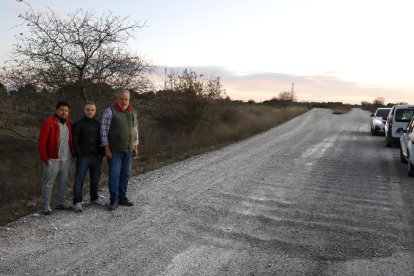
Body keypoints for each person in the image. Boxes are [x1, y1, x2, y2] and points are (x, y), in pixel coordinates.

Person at [101, 90, 139, 211]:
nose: (124, 101)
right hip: (114, 150)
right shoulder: (109, 111)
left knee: (126, 174)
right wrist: (106, 148)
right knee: (114, 174)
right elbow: (103, 131)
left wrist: (136, 146)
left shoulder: (133, 111)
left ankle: (122, 197)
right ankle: (113, 199)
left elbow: (136, 129)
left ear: (129, 99)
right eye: (121, 99)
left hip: (128, 149)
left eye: (126, 99)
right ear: (117, 98)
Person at [38, 101, 74, 215]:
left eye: (66, 110)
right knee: (48, 183)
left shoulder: (68, 123)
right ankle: (46, 206)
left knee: (63, 182)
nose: (64, 112)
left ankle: (60, 203)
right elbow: (42, 141)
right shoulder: (49, 122)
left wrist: (72, 155)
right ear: (56, 110)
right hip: (53, 159)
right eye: (61, 110)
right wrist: (45, 158)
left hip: (66, 158)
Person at [72, 102, 104, 212]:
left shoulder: (98, 124)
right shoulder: (78, 124)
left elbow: (101, 140)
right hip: (83, 157)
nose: (90, 112)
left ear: (95, 111)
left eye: (92, 110)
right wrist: (79, 154)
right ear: (84, 110)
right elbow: (74, 141)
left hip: (96, 157)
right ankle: (77, 202)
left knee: (95, 179)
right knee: (79, 180)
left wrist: (101, 153)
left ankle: (94, 198)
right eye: (88, 109)